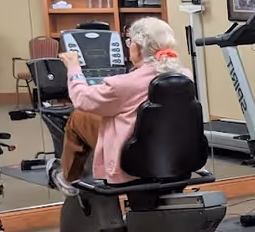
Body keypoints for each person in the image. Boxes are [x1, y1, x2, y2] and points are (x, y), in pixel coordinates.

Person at [46, 18, 190, 196]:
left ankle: (68, 179)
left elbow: (81, 99)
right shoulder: (185, 76)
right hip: (175, 153)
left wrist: (74, 68)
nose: (128, 46)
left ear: (137, 48)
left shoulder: (123, 85)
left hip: (130, 156)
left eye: (129, 42)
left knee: (79, 116)